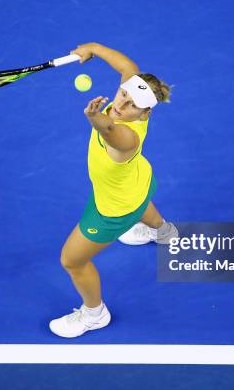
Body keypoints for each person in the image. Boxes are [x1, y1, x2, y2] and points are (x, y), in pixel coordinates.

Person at [49, 42, 179, 338]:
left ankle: (94, 314)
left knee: (72, 261)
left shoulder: (126, 138)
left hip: (112, 210)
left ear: (144, 114)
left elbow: (111, 132)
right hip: (139, 184)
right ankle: (164, 232)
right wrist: (92, 48)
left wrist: (98, 120)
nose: (121, 104)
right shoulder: (131, 102)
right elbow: (128, 68)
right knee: (140, 204)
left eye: (132, 104)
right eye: (123, 94)